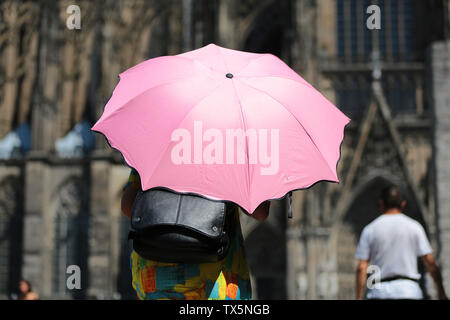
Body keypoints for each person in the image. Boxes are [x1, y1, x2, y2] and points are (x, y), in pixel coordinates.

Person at [121, 168, 270, 300]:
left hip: (154, 276)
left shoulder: (159, 141)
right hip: (215, 280)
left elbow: (128, 206)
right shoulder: (229, 148)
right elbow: (260, 212)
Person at [355, 186, 448, 300]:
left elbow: (361, 268)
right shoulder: (414, 227)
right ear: (403, 204)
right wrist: (441, 291)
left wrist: (359, 297)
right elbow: (430, 262)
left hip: (380, 292)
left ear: (382, 203)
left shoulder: (370, 229)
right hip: (409, 291)